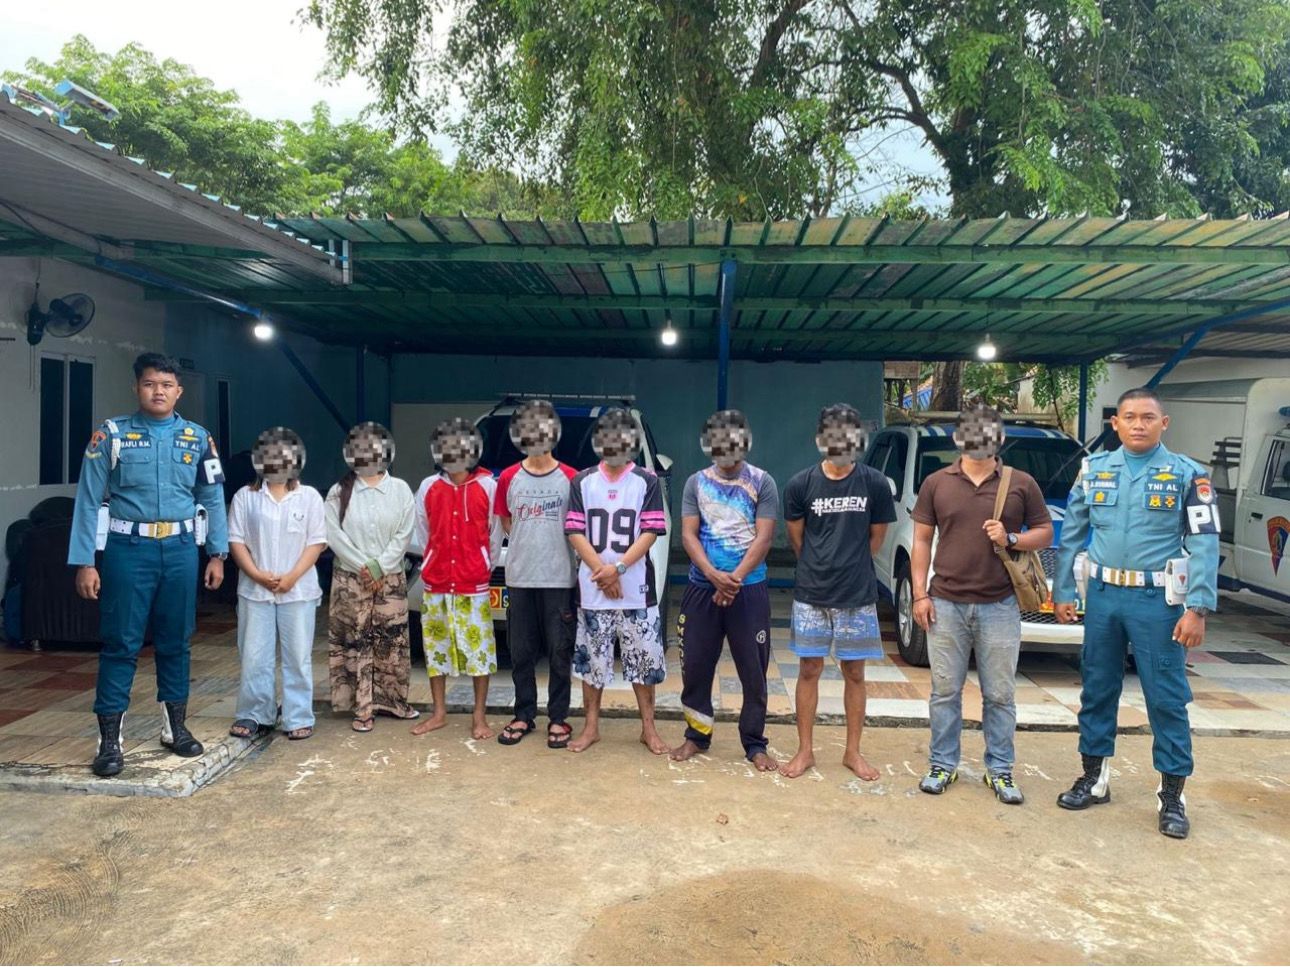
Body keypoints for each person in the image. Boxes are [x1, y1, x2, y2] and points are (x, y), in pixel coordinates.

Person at [1053, 387, 1219, 839]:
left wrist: (1198, 607)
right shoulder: (1094, 469)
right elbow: (1072, 532)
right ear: (1116, 423)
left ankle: (1172, 795)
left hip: (1158, 602)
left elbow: (1204, 543)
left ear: (1164, 423)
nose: (1138, 424)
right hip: (1103, 598)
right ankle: (1094, 778)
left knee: (1166, 697)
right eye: (1129, 417)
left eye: (1148, 417)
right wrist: (1064, 590)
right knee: (1097, 688)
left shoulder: (1189, 475)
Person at [69, 352, 228, 778]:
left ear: (179, 391)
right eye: (150, 384)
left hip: (180, 550)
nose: (158, 391)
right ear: (136, 388)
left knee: (176, 640)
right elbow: (88, 500)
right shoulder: (112, 435)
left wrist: (217, 553)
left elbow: (212, 497)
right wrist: (85, 561)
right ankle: (109, 742)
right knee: (120, 643)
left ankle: (175, 728)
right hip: (128, 549)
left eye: (166, 385)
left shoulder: (198, 439)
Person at [910, 404, 1053, 804]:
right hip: (945, 603)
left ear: (1000, 439)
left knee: (1000, 694)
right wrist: (919, 594)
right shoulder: (936, 483)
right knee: (944, 691)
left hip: (1000, 605)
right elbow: (921, 540)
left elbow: (1044, 532)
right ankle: (942, 764)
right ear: (958, 438)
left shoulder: (1021, 483)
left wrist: (1011, 538)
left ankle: (1000, 770)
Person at [781, 403, 896, 780]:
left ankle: (853, 752)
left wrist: (850, 566)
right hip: (811, 594)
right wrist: (821, 566)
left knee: (855, 672)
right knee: (809, 669)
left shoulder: (874, 484)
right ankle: (805, 751)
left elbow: (876, 538)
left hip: (856, 595)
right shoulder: (800, 484)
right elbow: (797, 539)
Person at [669, 410, 779, 770]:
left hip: (749, 590)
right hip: (703, 588)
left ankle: (754, 743)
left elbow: (764, 537)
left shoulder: (762, 482)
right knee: (696, 666)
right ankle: (696, 736)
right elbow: (688, 534)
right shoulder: (695, 483)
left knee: (753, 670)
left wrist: (733, 580)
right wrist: (713, 575)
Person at [564, 409, 669, 754]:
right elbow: (575, 531)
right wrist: (603, 572)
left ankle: (649, 729)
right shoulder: (582, 481)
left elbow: (650, 531)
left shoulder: (646, 481)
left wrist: (618, 569)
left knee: (643, 662)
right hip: (594, 590)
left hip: (636, 590)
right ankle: (591, 727)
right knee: (592, 662)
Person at [226, 428, 326, 741]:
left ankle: (298, 716)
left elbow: (317, 542)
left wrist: (292, 576)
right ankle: (256, 713)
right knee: (254, 654)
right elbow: (236, 541)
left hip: (298, 589)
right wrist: (256, 574)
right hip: (255, 589)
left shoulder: (309, 497)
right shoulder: (246, 497)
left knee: (298, 656)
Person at [410, 418, 503, 741]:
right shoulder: (428, 487)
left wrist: (482, 565)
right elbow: (423, 531)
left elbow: (494, 533)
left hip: (472, 584)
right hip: (436, 583)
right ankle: (439, 712)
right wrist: (433, 561)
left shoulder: (488, 487)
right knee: (436, 651)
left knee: (479, 653)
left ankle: (479, 716)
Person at [493, 401, 578, 749]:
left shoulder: (571, 478)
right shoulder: (508, 478)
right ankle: (523, 714)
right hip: (520, 577)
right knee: (521, 651)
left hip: (559, 577)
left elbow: (579, 528)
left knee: (560, 651)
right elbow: (506, 521)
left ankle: (558, 718)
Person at [325, 422, 419, 732]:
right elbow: (332, 534)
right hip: (350, 580)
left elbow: (404, 533)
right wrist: (364, 567)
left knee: (391, 641)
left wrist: (379, 567)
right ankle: (362, 707)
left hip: (389, 578)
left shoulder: (400, 490)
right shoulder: (339, 492)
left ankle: (393, 702)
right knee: (356, 641)